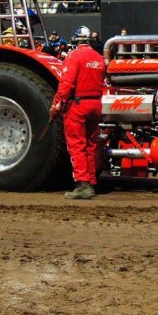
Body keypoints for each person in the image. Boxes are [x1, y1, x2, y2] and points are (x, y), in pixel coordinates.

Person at [49, 26, 107, 199]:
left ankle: (82, 184)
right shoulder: (99, 58)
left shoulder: (74, 56)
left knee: (77, 145)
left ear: (75, 40)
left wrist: (56, 105)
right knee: (90, 144)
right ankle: (91, 181)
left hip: (78, 104)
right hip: (96, 103)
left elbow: (66, 84)